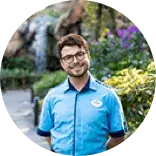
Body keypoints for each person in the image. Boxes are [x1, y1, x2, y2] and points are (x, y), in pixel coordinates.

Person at [36, 33, 128, 155]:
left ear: (88, 56)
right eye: (68, 57)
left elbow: (118, 136)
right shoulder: (52, 97)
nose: (75, 61)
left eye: (79, 54)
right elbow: (46, 133)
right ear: (62, 63)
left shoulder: (108, 96)